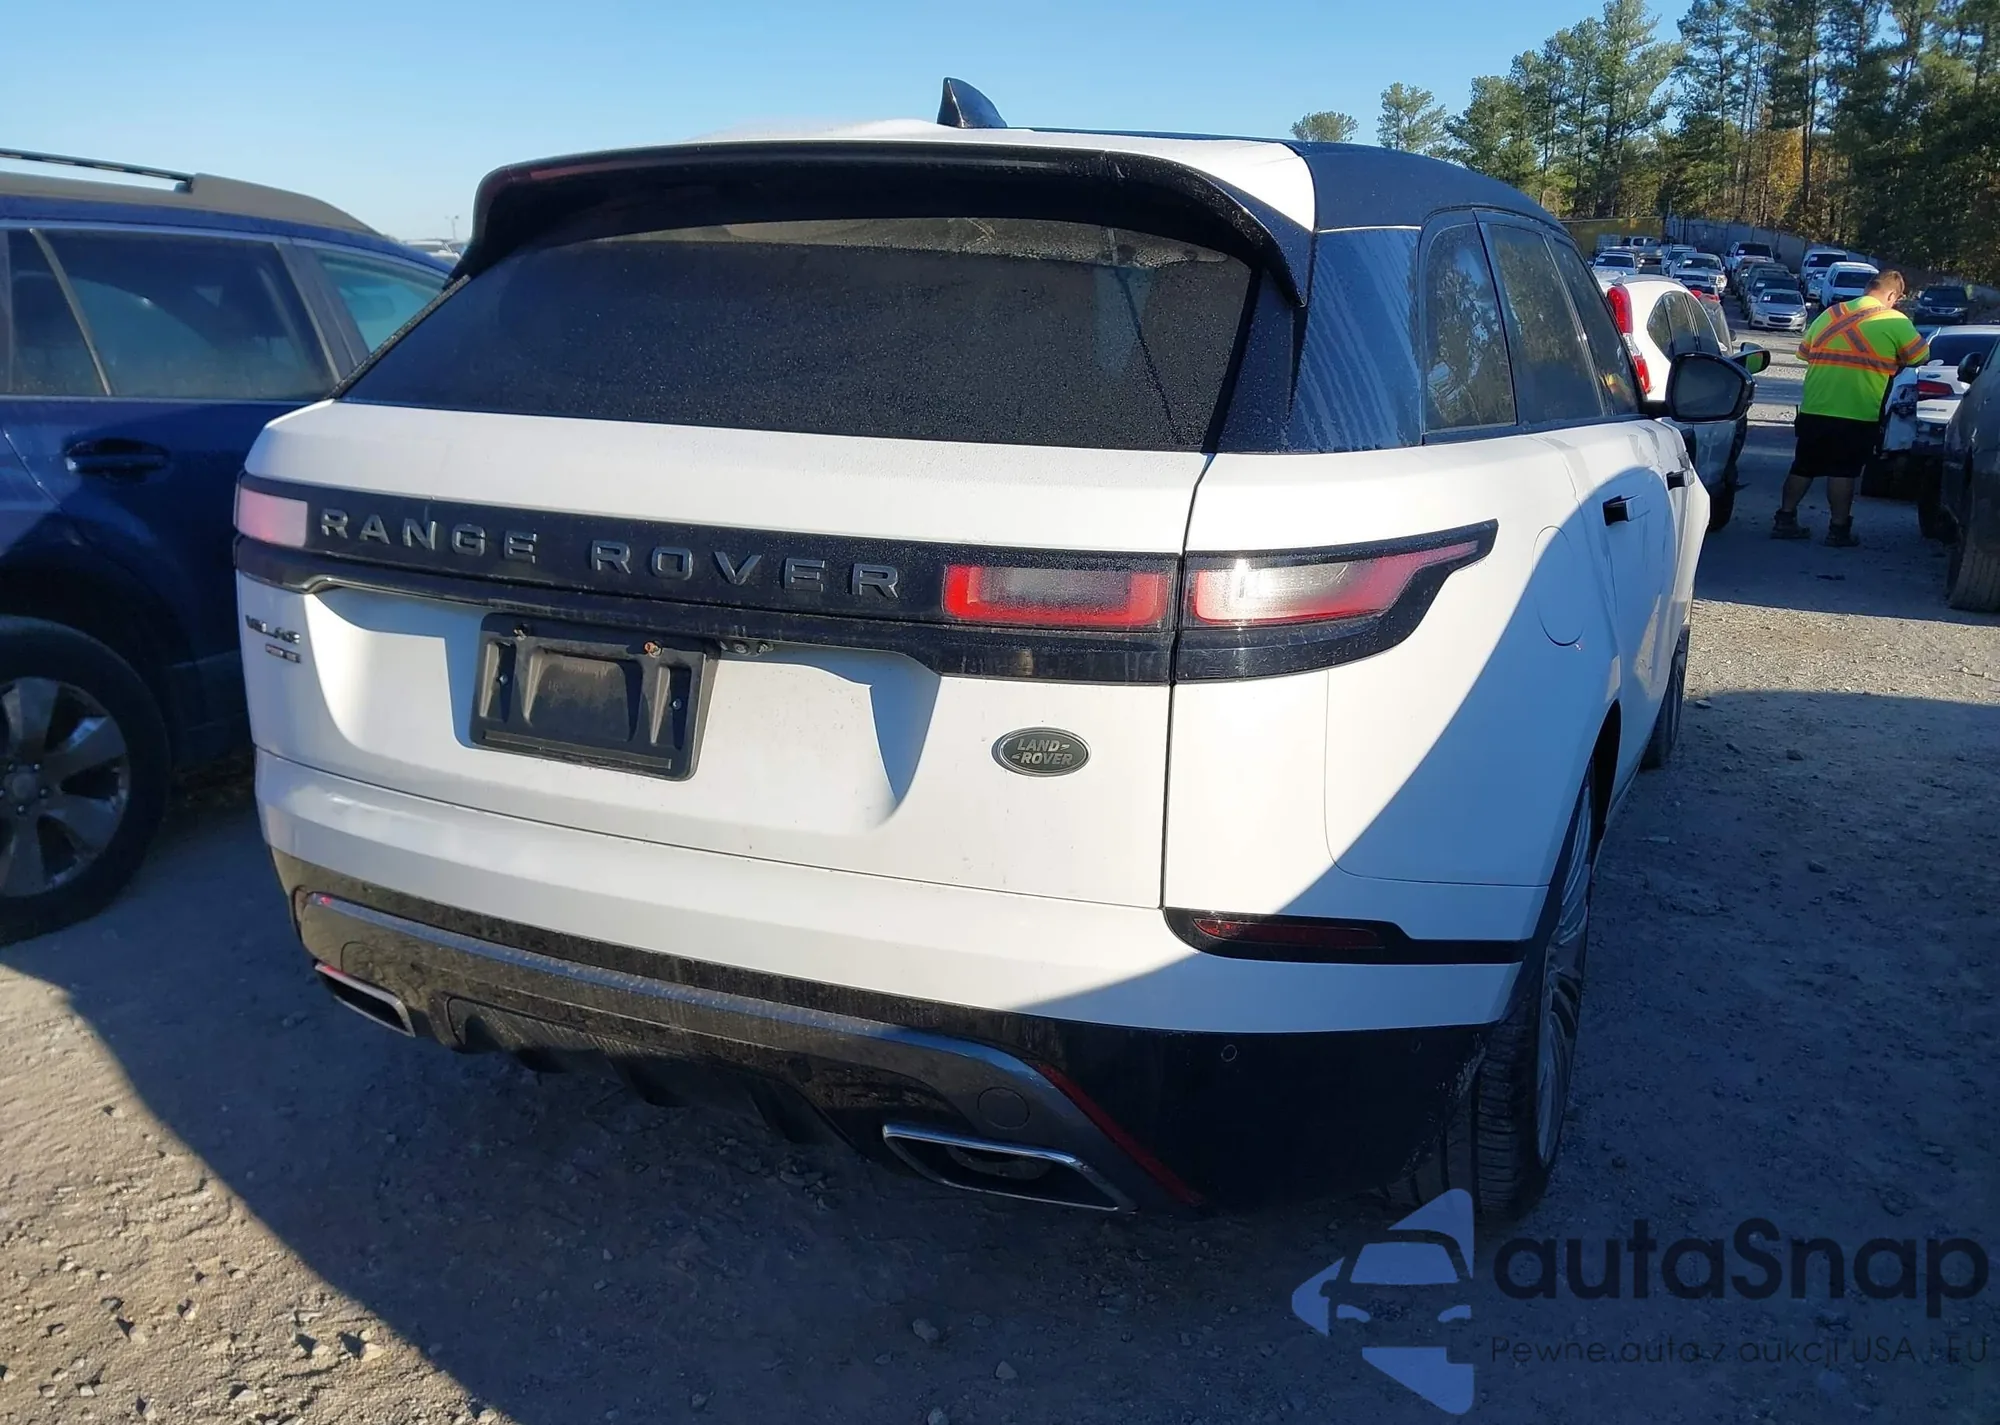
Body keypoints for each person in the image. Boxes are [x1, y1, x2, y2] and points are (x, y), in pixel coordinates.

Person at [1773, 269, 1929, 546]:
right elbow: (1920, 356)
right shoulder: (1894, 320)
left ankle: (1784, 519)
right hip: (1857, 410)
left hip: (1815, 407)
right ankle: (1838, 529)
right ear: (1891, 295)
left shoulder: (1830, 314)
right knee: (1843, 471)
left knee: (1803, 466)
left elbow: (1804, 353)